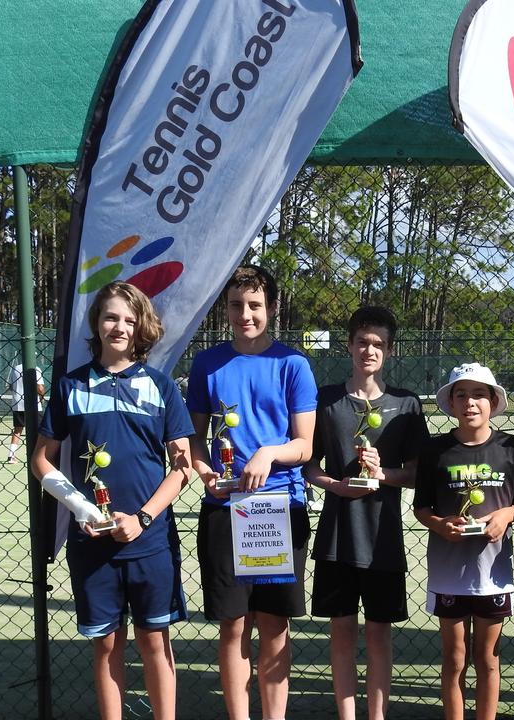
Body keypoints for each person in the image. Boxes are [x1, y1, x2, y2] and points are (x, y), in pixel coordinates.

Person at [31, 281, 194, 720]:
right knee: (106, 644)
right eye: (110, 317)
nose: (118, 326)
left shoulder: (162, 387)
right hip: (93, 541)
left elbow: (182, 467)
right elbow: (42, 461)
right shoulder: (70, 387)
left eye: (127, 318)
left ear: (141, 325)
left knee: (153, 640)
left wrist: (142, 518)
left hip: (150, 539)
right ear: (96, 324)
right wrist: (84, 511)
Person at [186, 264, 317, 720]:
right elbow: (196, 439)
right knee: (233, 625)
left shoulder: (293, 364)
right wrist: (204, 471)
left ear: (272, 309)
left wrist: (268, 454)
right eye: (238, 305)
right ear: (226, 309)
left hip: (278, 507)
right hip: (224, 508)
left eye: (256, 306)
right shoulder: (206, 364)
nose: (246, 314)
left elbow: (303, 446)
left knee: (275, 625)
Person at [304, 306, 429, 720]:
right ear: (350, 345)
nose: (368, 350)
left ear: (389, 351)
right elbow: (309, 465)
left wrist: (382, 474)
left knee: (378, 634)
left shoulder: (406, 404)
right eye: (362, 342)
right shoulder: (326, 400)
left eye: (377, 344)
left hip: (382, 542)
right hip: (337, 537)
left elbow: (416, 474)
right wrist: (333, 485)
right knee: (341, 633)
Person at [414, 362, 514, 720]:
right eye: (461, 394)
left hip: (493, 574)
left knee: (487, 659)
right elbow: (421, 507)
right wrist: (439, 524)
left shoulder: (512, 448)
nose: (470, 402)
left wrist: (506, 515)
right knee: (454, 659)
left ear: (493, 401)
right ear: (450, 403)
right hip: (449, 573)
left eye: (479, 394)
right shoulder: (435, 450)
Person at [6, 361, 45, 462]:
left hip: (17, 404)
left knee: (17, 430)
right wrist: (42, 396)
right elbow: (40, 388)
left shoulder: (15, 369)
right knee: (40, 430)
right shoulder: (36, 369)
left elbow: (10, 386)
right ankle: (37, 456)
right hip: (33, 405)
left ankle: (11, 456)